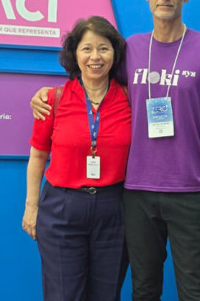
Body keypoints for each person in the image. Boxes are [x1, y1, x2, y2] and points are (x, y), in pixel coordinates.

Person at [31, 0, 200, 301]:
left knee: (196, 293)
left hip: (192, 189)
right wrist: (45, 94)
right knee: (144, 290)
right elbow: (94, 83)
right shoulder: (131, 49)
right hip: (137, 192)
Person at [22, 16, 131, 301]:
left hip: (114, 210)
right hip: (61, 209)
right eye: (87, 49)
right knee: (63, 295)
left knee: (106, 295)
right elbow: (37, 156)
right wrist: (31, 207)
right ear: (75, 54)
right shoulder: (52, 99)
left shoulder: (130, 99)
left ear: (115, 54)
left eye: (104, 48)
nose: (95, 57)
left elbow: (163, 129)